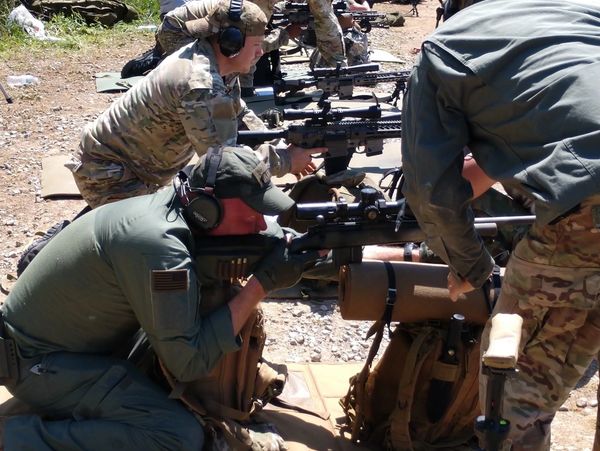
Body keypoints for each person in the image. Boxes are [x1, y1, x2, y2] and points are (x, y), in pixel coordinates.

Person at [0, 146, 320, 449]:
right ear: (208, 208)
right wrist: (259, 286)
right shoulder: (160, 249)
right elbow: (188, 364)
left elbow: (272, 240)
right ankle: (17, 438)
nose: (260, 221)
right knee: (177, 436)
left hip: (74, 344)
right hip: (38, 364)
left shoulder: (175, 207)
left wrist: (322, 248)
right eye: (253, 211)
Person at [400, 0, 600, 449]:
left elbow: (431, 192)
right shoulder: (581, 11)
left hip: (587, 213)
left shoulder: (443, 48)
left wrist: (470, 266)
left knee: (514, 390)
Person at [69, 0, 320, 209]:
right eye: (256, 46)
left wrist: (277, 141)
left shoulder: (214, 62)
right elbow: (222, 165)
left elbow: (238, 112)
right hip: (111, 176)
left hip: (133, 171)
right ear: (230, 45)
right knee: (174, 238)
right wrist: (285, 160)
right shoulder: (200, 84)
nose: (259, 53)